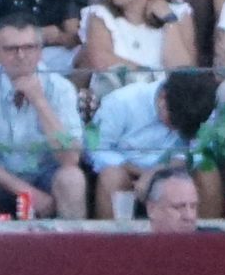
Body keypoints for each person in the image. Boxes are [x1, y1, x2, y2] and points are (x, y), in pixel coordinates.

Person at [0, 11, 85, 218]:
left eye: (29, 47)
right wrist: (25, 192)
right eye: (11, 49)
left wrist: (39, 101)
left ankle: (73, 250)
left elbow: (71, 158)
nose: (21, 55)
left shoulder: (61, 88)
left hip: (46, 180)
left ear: (40, 51)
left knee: (72, 179)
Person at [87, 64, 217, 218]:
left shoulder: (201, 107)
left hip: (178, 174)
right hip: (128, 176)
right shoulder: (122, 102)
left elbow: (201, 151)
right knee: (111, 176)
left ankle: (207, 237)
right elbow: (95, 149)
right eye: (174, 122)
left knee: (208, 172)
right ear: (163, 97)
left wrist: (160, 172)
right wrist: (140, 173)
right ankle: (112, 240)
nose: (176, 130)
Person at [81, 0, 196, 97]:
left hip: (166, 106)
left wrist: (168, 21)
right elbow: (101, 60)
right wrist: (152, 78)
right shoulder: (100, 15)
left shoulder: (179, 15)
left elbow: (183, 74)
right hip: (117, 101)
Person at [141, 161, 199, 229]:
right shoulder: (131, 239)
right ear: (151, 209)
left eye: (193, 207)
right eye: (178, 207)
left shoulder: (209, 238)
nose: (189, 216)